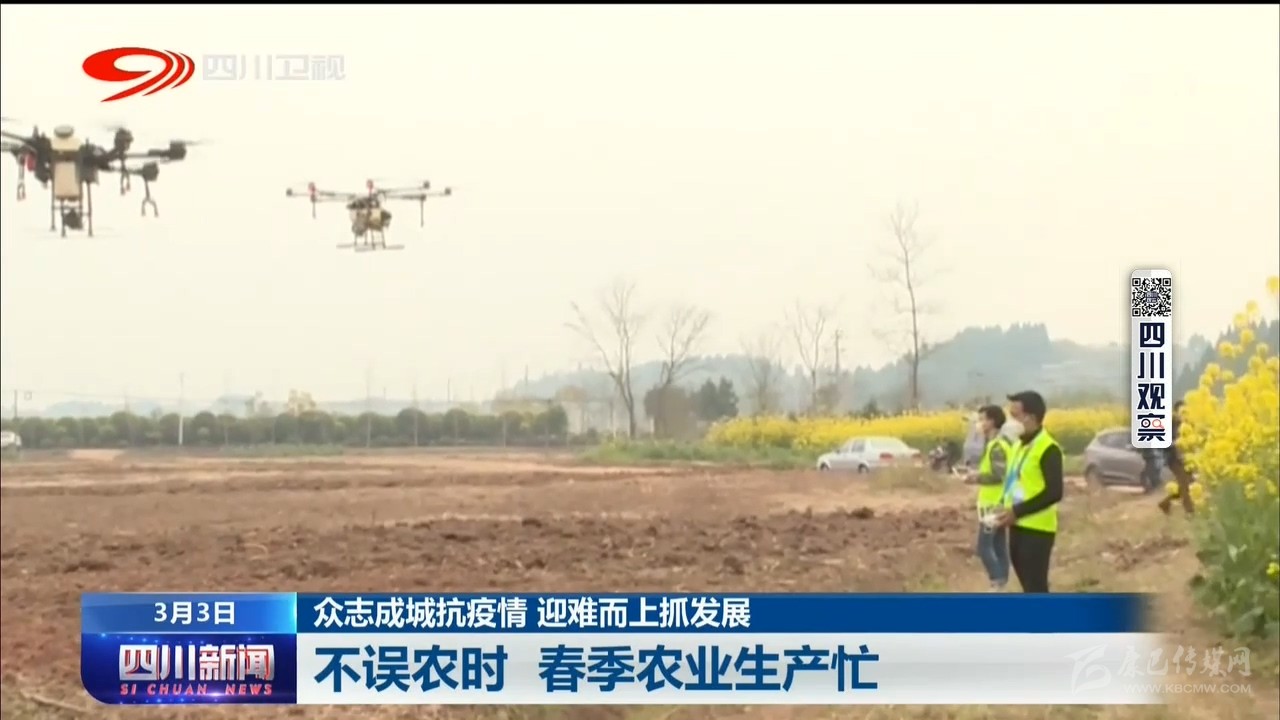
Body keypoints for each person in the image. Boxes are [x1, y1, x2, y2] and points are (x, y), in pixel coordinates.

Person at [993, 390, 1064, 594]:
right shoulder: (1019, 446)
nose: (1009, 422)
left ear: (1031, 417)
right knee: (1028, 587)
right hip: (1017, 525)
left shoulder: (1048, 448)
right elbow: (1015, 481)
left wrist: (1017, 511)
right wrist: (1002, 505)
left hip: (1037, 529)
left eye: (1015, 415)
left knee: (1035, 587)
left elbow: (1055, 492)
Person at [969, 404, 1013, 591]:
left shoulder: (997, 446)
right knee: (998, 544)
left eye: (983, 419)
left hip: (993, 504)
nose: (979, 423)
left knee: (984, 546)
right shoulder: (999, 443)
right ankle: (1002, 583)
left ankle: (997, 581)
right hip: (999, 501)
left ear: (992, 421)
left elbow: (998, 474)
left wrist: (976, 478)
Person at [1158, 401, 1196, 516]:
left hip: (1186, 458)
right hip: (1174, 459)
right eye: (1181, 412)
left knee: (1189, 483)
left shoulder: (1187, 424)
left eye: (1185, 412)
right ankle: (1190, 512)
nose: (1184, 414)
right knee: (1184, 484)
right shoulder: (1170, 423)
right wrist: (1174, 444)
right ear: (1176, 412)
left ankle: (1165, 503)